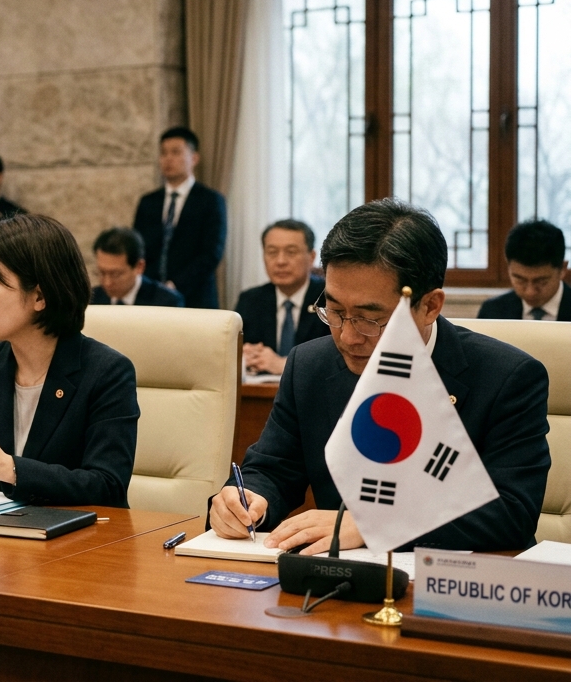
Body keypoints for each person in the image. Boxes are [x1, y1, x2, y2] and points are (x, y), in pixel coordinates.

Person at [210, 199, 551, 554]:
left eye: (370, 319)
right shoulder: (309, 365)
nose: (348, 337)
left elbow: (511, 512)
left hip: (459, 578)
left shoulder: (507, 378)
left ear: (430, 306)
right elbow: (273, 469)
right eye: (335, 311)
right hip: (341, 574)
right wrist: (246, 499)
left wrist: (374, 524)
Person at [0, 214, 139, 506]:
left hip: (80, 531)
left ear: (40, 296)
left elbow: (107, 485)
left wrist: (9, 468)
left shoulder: (107, 372)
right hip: (4, 531)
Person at [133, 127, 227, 309]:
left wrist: (175, 285)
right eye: (163, 153)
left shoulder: (210, 200)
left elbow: (212, 253)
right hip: (151, 297)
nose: (168, 158)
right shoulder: (148, 202)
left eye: (176, 152)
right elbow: (138, 248)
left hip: (195, 297)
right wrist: (151, 286)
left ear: (194, 158)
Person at [235, 220, 328, 375]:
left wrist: (284, 364)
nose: (280, 261)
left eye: (291, 252)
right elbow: (235, 351)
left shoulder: (328, 298)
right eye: (272, 252)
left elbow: (334, 359)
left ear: (311, 257)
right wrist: (245, 355)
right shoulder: (251, 300)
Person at [478, 220, 569, 321]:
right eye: (520, 280)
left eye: (541, 281)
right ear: (508, 267)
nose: (530, 292)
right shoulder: (493, 311)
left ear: (562, 269)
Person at [88, 227, 183, 307]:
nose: (107, 283)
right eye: (101, 272)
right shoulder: (91, 300)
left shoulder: (166, 303)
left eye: (115, 274)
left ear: (139, 267)